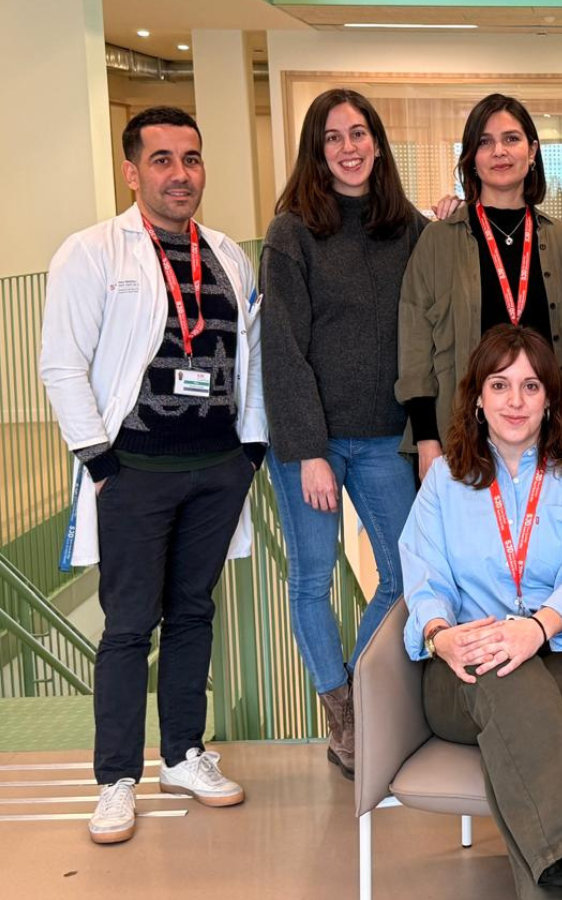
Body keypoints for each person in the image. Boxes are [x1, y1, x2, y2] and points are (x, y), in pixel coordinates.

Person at [39, 107, 264, 844]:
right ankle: (115, 780)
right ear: (131, 171)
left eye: (191, 159)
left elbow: (251, 360)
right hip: (134, 471)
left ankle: (183, 755)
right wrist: (101, 463)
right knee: (129, 626)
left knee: (193, 613)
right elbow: (61, 365)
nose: (180, 174)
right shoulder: (92, 252)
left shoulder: (226, 255)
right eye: (162, 159)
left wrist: (251, 453)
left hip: (216, 469)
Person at [400, 325, 562, 900]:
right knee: (503, 671)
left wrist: (536, 628)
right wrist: (440, 635)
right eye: (499, 385)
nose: (515, 401)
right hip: (465, 665)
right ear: (478, 397)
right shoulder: (445, 479)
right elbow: (423, 575)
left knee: (516, 733)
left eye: (530, 386)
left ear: (550, 398)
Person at [261, 88, 428, 779]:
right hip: (315, 442)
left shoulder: (409, 228)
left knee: (407, 575)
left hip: (387, 435)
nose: (348, 148)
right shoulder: (292, 232)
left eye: (358, 133)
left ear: (378, 144)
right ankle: (343, 717)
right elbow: (282, 348)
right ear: (316, 151)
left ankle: (359, 688)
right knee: (312, 580)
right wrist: (307, 451)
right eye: (332, 137)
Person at [398, 93, 562, 484]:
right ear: (471, 157)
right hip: (457, 441)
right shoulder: (438, 241)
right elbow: (414, 347)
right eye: (485, 142)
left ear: (532, 150)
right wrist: (427, 439)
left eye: (511, 139)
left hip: (550, 442)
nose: (499, 151)